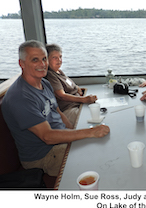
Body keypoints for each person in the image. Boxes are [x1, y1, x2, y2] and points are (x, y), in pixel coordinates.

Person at [1, 40, 110, 177]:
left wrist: (73, 131)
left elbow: (57, 111)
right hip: (43, 155)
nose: (42, 64)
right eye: (35, 60)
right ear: (21, 63)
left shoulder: (44, 83)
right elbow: (47, 137)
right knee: (96, 155)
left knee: (98, 144)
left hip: (58, 139)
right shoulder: (20, 98)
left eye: (44, 59)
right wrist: (90, 133)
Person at [45, 44, 97, 128]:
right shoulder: (50, 75)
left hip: (77, 104)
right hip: (69, 110)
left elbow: (70, 84)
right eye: (55, 57)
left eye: (60, 57)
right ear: (46, 60)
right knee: (94, 118)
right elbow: (61, 96)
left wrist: (77, 88)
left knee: (98, 111)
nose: (59, 60)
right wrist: (83, 99)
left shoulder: (59, 72)